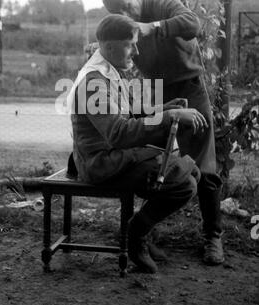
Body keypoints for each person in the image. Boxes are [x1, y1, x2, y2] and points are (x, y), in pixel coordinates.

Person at [68, 14, 208, 273]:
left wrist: (163, 108)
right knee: (184, 185)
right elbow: (118, 132)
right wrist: (169, 117)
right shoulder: (94, 81)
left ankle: (143, 229)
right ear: (110, 46)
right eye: (131, 44)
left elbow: (127, 110)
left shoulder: (107, 68)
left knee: (191, 174)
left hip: (114, 156)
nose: (137, 50)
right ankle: (135, 233)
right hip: (100, 163)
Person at [102, 0, 224, 265]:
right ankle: (144, 234)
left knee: (203, 162)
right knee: (155, 161)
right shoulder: (122, 21)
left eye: (126, 4)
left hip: (189, 87)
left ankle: (213, 237)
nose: (124, 12)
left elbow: (191, 24)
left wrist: (152, 27)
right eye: (115, 10)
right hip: (155, 91)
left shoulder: (165, 4)